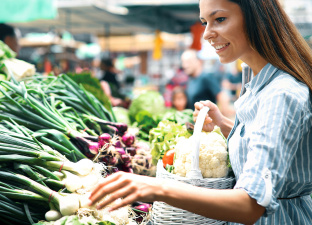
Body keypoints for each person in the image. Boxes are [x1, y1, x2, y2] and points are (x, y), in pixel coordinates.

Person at [89, 0, 312, 224]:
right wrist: (225, 126)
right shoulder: (257, 81)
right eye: (205, 22)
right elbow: (270, 145)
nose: (206, 34)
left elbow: (251, 205)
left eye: (220, 19)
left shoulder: (280, 93)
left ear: (257, 17)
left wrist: (157, 187)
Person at [181, 49, 233, 117]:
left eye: (188, 62)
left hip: (208, 123)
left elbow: (222, 96)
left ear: (199, 61)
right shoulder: (190, 79)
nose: (185, 65)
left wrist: (223, 122)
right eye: (183, 62)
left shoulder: (206, 77)